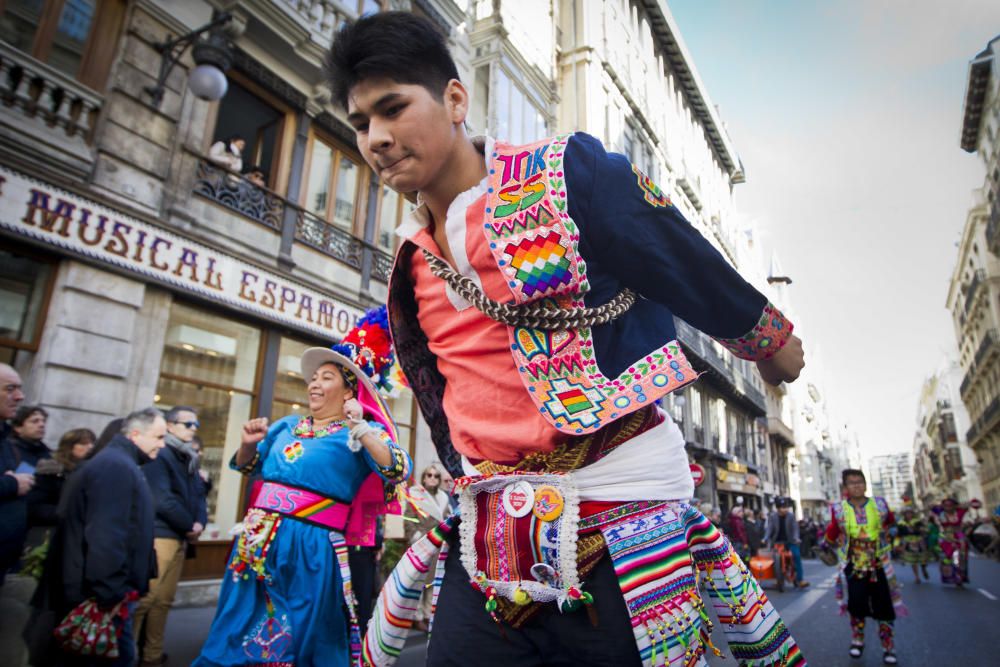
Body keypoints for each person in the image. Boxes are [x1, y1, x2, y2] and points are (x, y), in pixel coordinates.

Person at [329, 12, 807, 667]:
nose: (377, 138)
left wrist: (767, 338)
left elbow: (665, 242)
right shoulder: (411, 264)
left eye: (392, 108)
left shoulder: (563, 171)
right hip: (491, 529)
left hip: (620, 512)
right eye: (361, 124)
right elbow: (440, 388)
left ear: (455, 99)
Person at [194, 307, 411, 667]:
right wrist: (249, 443)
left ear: (349, 392)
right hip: (256, 540)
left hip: (311, 546)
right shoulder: (285, 425)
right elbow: (251, 466)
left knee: (302, 628)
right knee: (236, 620)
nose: (313, 383)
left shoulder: (359, 435)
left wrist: (364, 430)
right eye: (313, 377)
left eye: (326, 378)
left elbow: (398, 469)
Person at [28, 407, 165, 666]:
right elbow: (106, 536)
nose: (163, 444)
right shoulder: (116, 466)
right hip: (99, 600)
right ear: (136, 434)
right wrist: (110, 594)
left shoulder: (119, 463)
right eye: (159, 437)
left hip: (104, 596)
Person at [134, 406, 206, 667]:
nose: (194, 429)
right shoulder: (161, 453)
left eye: (196, 424)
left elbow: (197, 493)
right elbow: (161, 499)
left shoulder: (187, 456)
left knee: (163, 601)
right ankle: (126, 655)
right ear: (170, 425)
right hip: (161, 533)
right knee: (146, 599)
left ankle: (151, 655)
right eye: (188, 424)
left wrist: (199, 522)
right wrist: (190, 524)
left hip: (180, 536)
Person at [823, 469, 903, 665]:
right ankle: (857, 640)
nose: (856, 485)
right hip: (854, 565)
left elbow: (892, 524)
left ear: (865, 484)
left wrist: (894, 537)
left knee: (883, 605)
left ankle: (888, 645)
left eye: (859, 481)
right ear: (845, 487)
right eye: (851, 482)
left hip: (878, 564)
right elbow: (832, 531)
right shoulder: (839, 509)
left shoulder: (880, 505)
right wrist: (826, 545)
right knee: (856, 604)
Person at [403, 463, 453, 631]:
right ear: (424, 478)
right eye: (429, 475)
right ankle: (416, 617)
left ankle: (427, 614)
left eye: (436, 476)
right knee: (419, 581)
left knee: (432, 582)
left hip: (438, 543)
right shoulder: (415, 495)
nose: (432, 478)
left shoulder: (443, 498)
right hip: (421, 544)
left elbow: (446, 519)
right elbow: (408, 519)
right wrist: (416, 538)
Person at [765, 497, 809, 588]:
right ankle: (778, 580)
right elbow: (770, 528)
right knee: (773, 560)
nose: (785, 509)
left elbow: (795, 529)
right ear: (778, 508)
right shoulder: (773, 517)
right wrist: (765, 538)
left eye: (786, 507)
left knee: (796, 556)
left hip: (791, 542)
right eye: (782, 507)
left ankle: (800, 580)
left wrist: (796, 538)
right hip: (777, 542)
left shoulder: (791, 516)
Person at [934, 497, 970, 587]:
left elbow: (973, 504)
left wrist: (959, 506)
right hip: (946, 536)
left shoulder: (959, 512)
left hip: (959, 536)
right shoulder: (940, 513)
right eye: (946, 505)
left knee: (961, 557)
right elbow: (929, 507)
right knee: (947, 558)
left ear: (954, 505)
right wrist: (939, 506)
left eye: (950, 505)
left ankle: (960, 577)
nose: (948, 507)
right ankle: (951, 576)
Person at [895, 504, 931, 582]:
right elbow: (898, 535)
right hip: (908, 543)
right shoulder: (901, 524)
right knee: (912, 561)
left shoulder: (917, 521)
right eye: (907, 513)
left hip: (919, 541)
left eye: (910, 513)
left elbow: (925, 530)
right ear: (904, 514)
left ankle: (923, 568)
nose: (909, 515)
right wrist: (896, 544)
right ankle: (917, 577)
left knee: (923, 559)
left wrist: (922, 530)